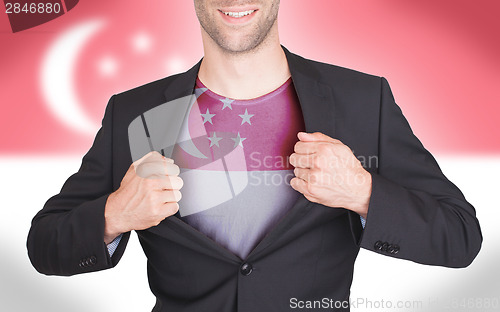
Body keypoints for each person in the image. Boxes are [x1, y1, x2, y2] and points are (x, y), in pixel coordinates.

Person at [27, 1, 482, 311]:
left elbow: (460, 236)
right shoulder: (136, 113)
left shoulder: (362, 100)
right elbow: (44, 245)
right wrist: (114, 214)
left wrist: (363, 192)